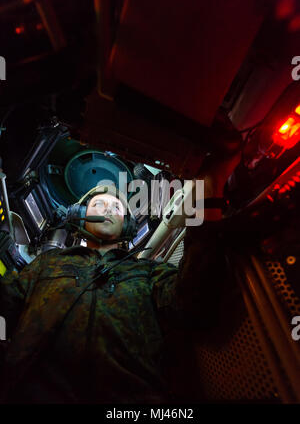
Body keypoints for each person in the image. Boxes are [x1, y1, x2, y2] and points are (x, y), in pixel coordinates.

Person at [0, 151, 240, 404]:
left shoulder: (148, 273)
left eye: (116, 207)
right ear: (81, 216)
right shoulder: (48, 264)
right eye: (99, 205)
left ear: (127, 226)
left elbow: (194, 304)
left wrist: (210, 189)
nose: (108, 210)